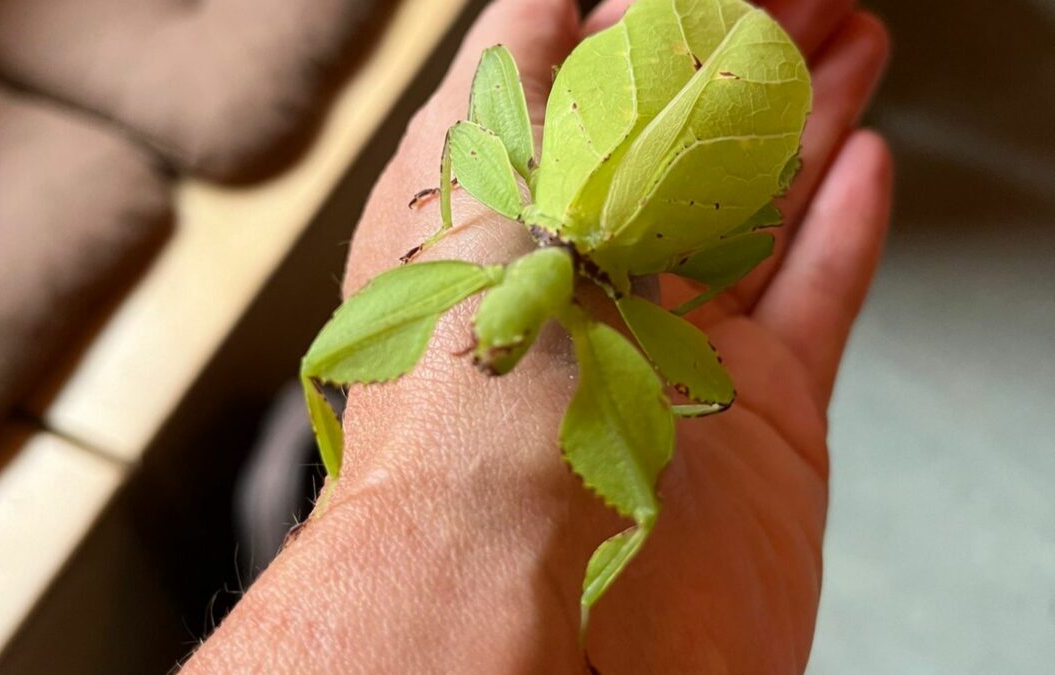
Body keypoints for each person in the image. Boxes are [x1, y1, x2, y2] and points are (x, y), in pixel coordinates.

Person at [183, 0, 891, 671]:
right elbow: (467, 129)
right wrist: (372, 498)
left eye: (495, 345)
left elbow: (469, 131)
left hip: (676, 141)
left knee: (645, 499)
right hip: (673, 155)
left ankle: (357, 505)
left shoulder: (509, 196)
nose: (493, 354)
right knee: (319, 366)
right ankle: (343, 495)